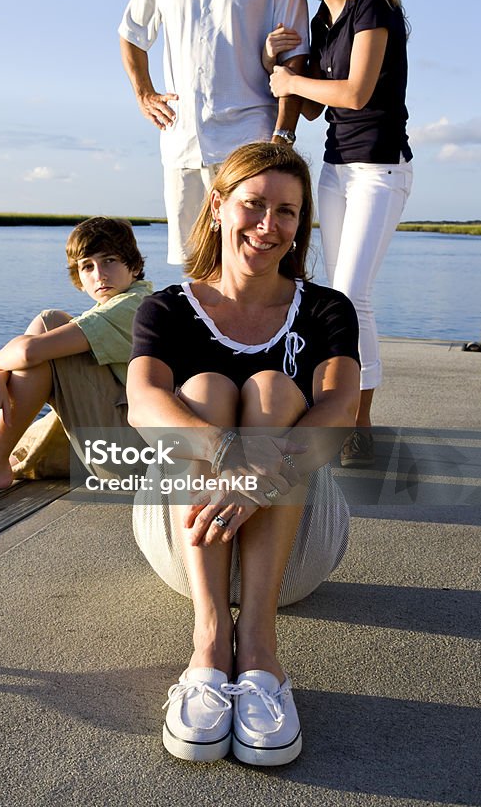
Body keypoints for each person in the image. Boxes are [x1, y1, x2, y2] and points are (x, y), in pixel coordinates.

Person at [126, 142, 360, 765]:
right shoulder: (168, 308)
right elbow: (145, 402)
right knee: (201, 390)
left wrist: (264, 473)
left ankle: (258, 647)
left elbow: (339, 410)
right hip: (188, 541)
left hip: (294, 558)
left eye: (287, 211)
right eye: (253, 204)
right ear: (219, 206)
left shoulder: (327, 309)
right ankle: (209, 641)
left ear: (300, 222)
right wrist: (230, 452)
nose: (269, 224)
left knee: (275, 390)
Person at [119, 0, 309, 265]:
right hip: (181, 141)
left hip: (250, 143)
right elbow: (132, 33)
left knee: (251, 265)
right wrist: (144, 93)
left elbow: (294, 57)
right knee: (194, 270)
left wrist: (282, 137)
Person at [266, 0, 413, 466]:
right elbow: (304, 109)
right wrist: (273, 61)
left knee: (352, 298)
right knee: (334, 294)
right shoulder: (322, 21)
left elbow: (355, 93)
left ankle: (358, 422)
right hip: (336, 168)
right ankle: (343, 413)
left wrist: (290, 77)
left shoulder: (374, 3)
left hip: (380, 168)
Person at [0, 217, 152, 514]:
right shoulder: (125, 305)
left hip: (137, 465)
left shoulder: (134, 306)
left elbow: (28, 352)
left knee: (49, 323)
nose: (99, 274)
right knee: (52, 336)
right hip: (134, 454)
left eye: (110, 260)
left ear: (133, 265)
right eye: (87, 266)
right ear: (79, 279)